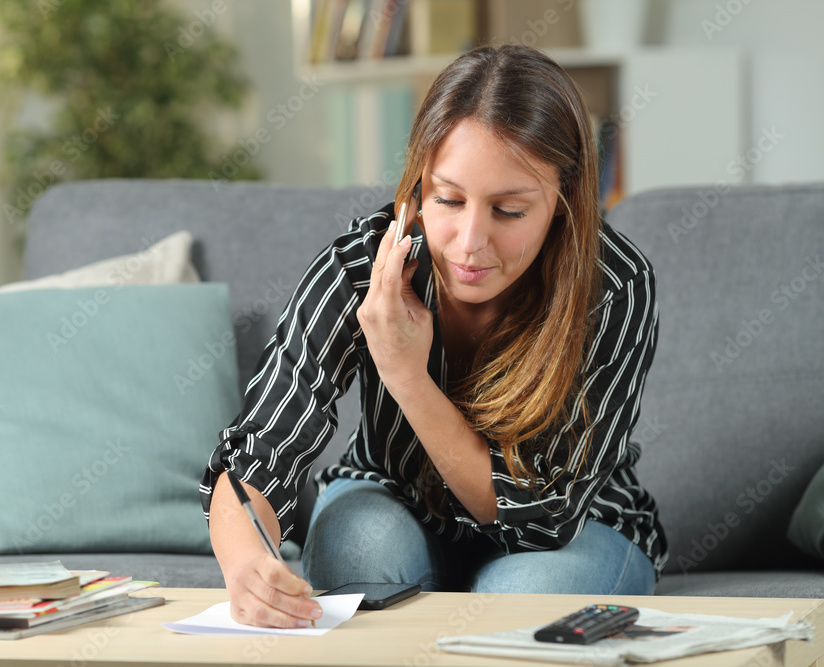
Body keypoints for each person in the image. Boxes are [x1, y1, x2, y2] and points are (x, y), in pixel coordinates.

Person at [200, 43, 668, 629]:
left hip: (571, 528)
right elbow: (256, 455)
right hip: (393, 498)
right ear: (420, 182)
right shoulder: (362, 267)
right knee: (362, 561)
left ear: (564, 201)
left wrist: (407, 376)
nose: (470, 242)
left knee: (521, 599)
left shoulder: (615, 288)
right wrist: (246, 565)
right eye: (447, 199)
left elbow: (539, 518)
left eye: (509, 211)